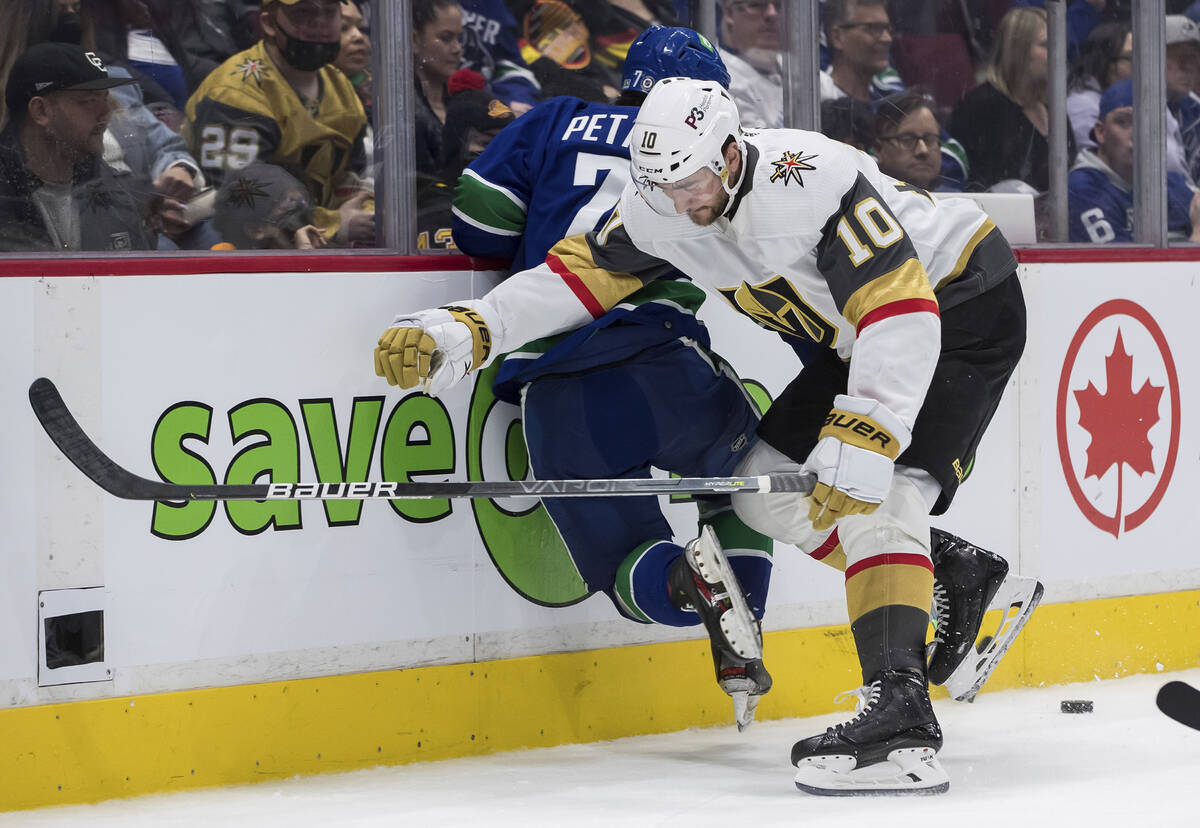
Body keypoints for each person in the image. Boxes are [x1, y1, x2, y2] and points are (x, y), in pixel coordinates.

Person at [376, 75, 1044, 793]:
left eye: (692, 180)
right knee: (766, 495)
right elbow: (575, 278)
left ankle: (901, 713)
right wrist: (470, 328)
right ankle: (947, 569)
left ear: (729, 155)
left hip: (957, 303)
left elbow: (900, 304)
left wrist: (873, 424)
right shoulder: (659, 202)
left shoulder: (809, 175)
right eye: (660, 185)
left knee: (882, 498)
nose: (680, 203)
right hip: (856, 339)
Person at [448, 25, 775, 730]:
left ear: (623, 80)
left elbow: (477, 222)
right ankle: (742, 640)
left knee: (629, 565)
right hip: (665, 363)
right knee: (745, 484)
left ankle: (690, 587)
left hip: (558, 388)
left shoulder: (559, 118)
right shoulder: (715, 161)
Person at [184, 0, 374, 247]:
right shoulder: (234, 93)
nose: (319, 24)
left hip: (313, 235)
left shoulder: (340, 86)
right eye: (303, 13)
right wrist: (336, 224)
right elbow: (244, 199)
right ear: (269, 23)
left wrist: (366, 211)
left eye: (329, 13)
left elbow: (356, 173)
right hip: (234, 238)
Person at [0, 41, 156, 251]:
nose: (106, 113)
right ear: (40, 111)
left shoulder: (110, 189)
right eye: (88, 101)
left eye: (105, 99)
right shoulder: (7, 191)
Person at [949, 5, 1075, 193]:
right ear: (1018, 49)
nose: (1058, 54)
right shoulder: (981, 108)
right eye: (1047, 45)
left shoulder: (1053, 108)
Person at [1068, 79, 1200, 244]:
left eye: (1147, 123)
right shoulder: (1083, 188)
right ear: (1101, 132)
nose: (1136, 134)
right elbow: (1119, 267)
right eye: (1123, 122)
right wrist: (1197, 238)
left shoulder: (1172, 184)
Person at [414, 0, 465, 174]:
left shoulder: (463, 101)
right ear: (414, 39)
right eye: (446, 38)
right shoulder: (403, 110)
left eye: (459, 38)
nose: (457, 49)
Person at [873, 89, 957, 192]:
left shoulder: (957, 202)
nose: (923, 150)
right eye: (907, 140)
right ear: (878, 149)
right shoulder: (861, 201)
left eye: (929, 139)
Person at [819, 0, 901, 105]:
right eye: (874, 29)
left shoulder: (889, 103)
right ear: (837, 37)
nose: (887, 39)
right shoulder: (817, 102)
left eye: (887, 29)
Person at [718, 0, 783, 129]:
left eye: (779, 6)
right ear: (730, 13)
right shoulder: (720, 78)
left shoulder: (805, 71)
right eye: (756, 5)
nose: (772, 14)